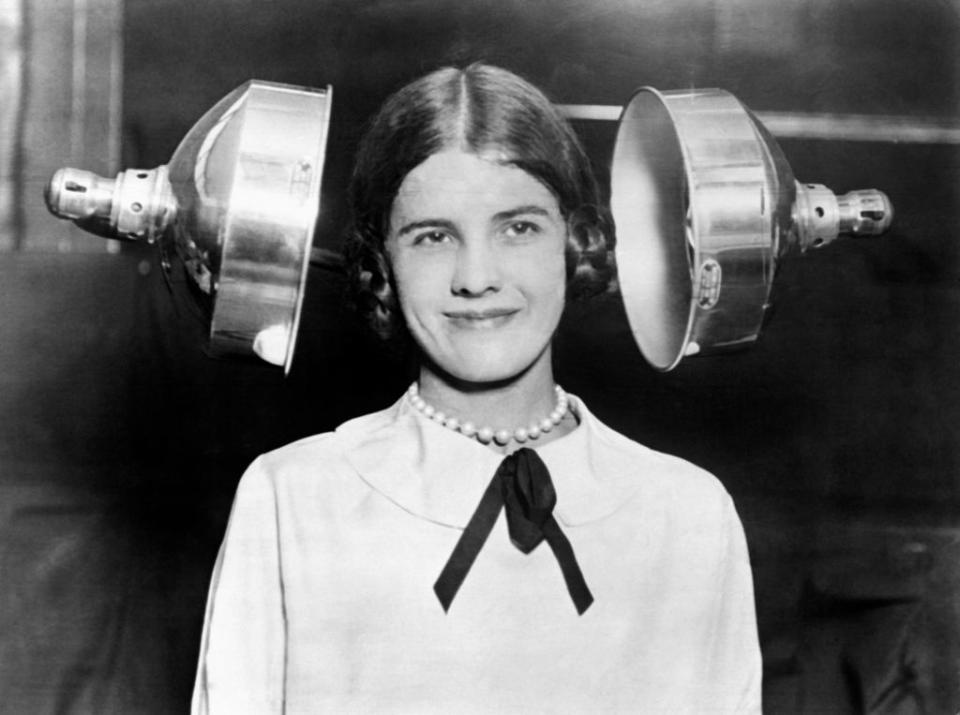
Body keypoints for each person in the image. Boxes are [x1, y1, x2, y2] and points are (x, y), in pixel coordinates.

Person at [191, 63, 762, 713]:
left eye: (518, 227)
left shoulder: (687, 514)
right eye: (433, 237)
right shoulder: (291, 499)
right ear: (382, 266)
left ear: (576, 244)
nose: (476, 276)